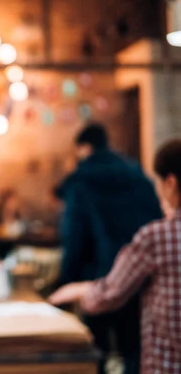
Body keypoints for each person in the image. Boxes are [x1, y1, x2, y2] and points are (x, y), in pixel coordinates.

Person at [49, 139, 181, 374]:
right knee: (130, 349)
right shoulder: (135, 174)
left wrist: (73, 285)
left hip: (164, 364)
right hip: (134, 288)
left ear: (170, 183)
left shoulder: (159, 236)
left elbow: (111, 290)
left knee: (98, 354)